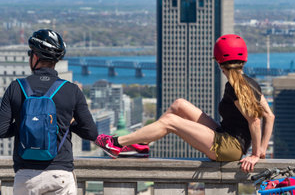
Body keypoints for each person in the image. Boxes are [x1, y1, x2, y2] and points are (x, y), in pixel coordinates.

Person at [95, 34, 275, 172]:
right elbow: (270, 116)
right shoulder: (251, 83)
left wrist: (254, 155)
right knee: (179, 105)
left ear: (219, 63)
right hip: (225, 135)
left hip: (230, 147)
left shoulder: (235, 88)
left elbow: (255, 121)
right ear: (244, 60)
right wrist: (262, 151)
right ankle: (141, 145)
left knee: (170, 122)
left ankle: (117, 143)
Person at [0, 29, 98, 195]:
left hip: (26, 177)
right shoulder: (71, 90)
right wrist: (66, 123)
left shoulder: (16, 88)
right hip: (60, 174)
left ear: (35, 56)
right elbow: (91, 133)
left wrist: (24, 122)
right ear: (56, 60)